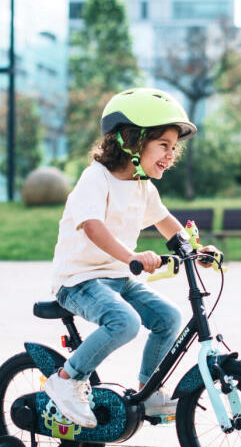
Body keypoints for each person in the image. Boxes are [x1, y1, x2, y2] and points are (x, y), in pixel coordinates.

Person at [44, 87, 220, 428]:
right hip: (78, 280)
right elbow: (93, 227)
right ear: (131, 141)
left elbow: (167, 223)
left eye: (174, 148)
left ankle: (148, 390)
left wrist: (194, 251)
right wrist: (132, 256)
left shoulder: (143, 186)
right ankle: (66, 380)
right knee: (124, 322)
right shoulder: (96, 178)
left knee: (168, 317)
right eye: (164, 146)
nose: (171, 155)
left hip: (118, 279)